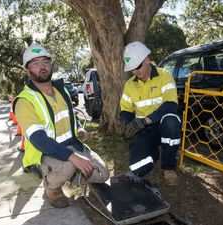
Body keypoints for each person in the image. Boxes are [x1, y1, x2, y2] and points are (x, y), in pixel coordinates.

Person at [13, 43, 110, 208]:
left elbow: (70, 116)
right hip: (45, 152)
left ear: (51, 65)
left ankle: (72, 173)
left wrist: (78, 127)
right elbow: (39, 139)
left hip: (72, 145)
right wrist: (73, 157)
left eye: (45, 62)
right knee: (67, 164)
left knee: (103, 175)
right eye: (35, 64)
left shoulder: (62, 90)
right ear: (27, 71)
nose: (42, 67)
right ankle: (52, 188)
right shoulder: (24, 100)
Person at [119, 41, 181, 186]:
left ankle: (169, 167)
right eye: (132, 69)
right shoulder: (129, 85)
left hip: (163, 125)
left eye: (138, 66)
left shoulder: (164, 76)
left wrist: (146, 120)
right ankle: (152, 152)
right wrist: (127, 123)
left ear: (147, 59)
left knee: (172, 122)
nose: (135, 72)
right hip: (145, 130)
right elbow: (126, 110)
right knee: (137, 169)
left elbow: (171, 105)